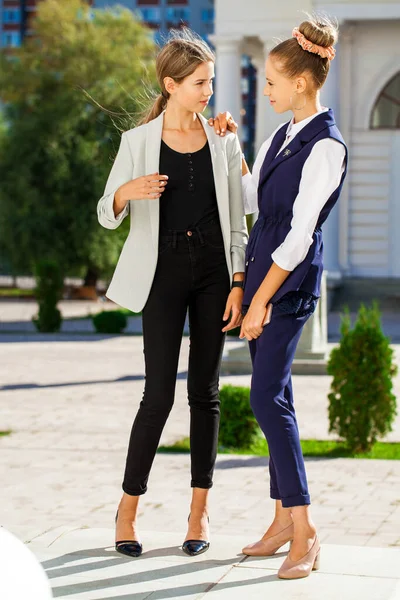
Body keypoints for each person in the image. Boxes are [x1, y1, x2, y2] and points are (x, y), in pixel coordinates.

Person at [97, 29, 248, 558]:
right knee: (157, 393)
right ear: (172, 84)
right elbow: (105, 212)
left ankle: (198, 511)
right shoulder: (137, 143)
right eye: (201, 82)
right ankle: (128, 508)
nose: (210, 90)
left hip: (213, 271)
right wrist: (124, 193)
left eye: (211, 81)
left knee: (205, 393)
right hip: (160, 271)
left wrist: (237, 281)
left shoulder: (223, 139)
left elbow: (239, 218)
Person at [209, 15, 347, 579]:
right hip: (267, 276)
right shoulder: (281, 136)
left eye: (270, 80)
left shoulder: (326, 147)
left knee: (267, 400)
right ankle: (280, 521)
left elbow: (297, 233)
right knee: (276, 397)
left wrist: (260, 299)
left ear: (300, 82)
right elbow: (250, 195)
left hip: (288, 286)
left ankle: (305, 529)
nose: (264, 88)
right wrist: (231, 143)